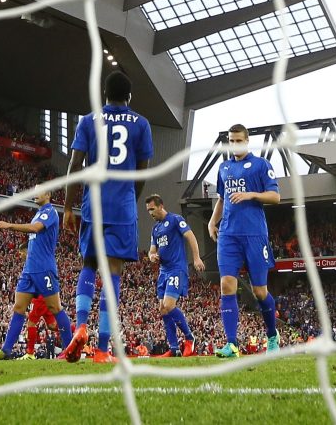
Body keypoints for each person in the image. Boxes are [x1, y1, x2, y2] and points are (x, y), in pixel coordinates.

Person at [63, 71, 153, 364]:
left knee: (89, 264)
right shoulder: (141, 124)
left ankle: (80, 326)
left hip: (94, 204)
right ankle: (102, 349)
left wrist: (67, 206)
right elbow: (141, 172)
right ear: (129, 97)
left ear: (104, 94)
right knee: (113, 271)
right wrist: (130, 198)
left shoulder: (88, 121)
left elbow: (75, 164)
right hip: (122, 206)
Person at [207, 124, 280, 358]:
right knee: (227, 285)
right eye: (231, 140)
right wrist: (212, 222)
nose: (235, 144)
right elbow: (221, 199)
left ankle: (272, 335)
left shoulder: (261, 165)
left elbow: (275, 196)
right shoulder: (224, 168)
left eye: (239, 140)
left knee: (260, 291)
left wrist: (251, 194)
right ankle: (231, 344)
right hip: (228, 235)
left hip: (254, 235)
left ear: (247, 141)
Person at [0, 188, 73, 360]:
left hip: (44, 268)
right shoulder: (38, 213)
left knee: (55, 308)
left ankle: (70, 350)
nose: (35, 194)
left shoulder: (50, 212)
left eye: (39, 191)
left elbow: (35, 228)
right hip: (29, 270)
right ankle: (6, 351)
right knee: (18, 308)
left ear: (48, 194)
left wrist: (10, 225)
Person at [146, 194, 205, 357]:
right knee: (163, 310)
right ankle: (173, 348)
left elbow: (190, 236)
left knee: (169, 305)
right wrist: (152, 256)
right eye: (148, 210)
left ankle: (189, 337)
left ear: (160, 206)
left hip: (176, 269)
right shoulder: (155, 229)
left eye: (152, 209)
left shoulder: (175, 220)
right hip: (163, 271)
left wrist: (196, 257)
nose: (150, 213)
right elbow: (152, 250)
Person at [21, 295, 57, 360]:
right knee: (52, 326)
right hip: (48, 297)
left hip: (38, 298)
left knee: (31, 324)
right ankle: (70, 339)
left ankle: (30, 353)